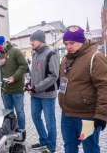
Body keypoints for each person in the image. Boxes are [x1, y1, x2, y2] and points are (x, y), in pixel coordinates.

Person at [59, 25, 107, 153]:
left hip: (87, 116)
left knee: (90, 149)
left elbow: (104, 86)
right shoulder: (65, 59)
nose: (68, 46)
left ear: (81, 40)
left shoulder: (95, 57)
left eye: (72, 43)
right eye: (66, 43)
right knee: (69, 147)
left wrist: (101, 114)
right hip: (67, 114)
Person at [25, 30, 59, 153]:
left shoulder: (51, 54)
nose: (31, 43)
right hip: (35, 94)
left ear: (40, 40)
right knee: (35, 117)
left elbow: (54, 76)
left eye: (33, 40)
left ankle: (51, 146)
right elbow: (33, 74)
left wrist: (36, 87)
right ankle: (43, 140)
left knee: (50, 122)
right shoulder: (34, 55)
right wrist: (29, 84)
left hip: (48, 95)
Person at [1, 40, 27, 130]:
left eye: (3, 43)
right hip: (5, 90)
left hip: (17, 89)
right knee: (8, 112)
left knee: (19, 111)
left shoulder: (15, 51)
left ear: (6, 43)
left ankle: (21, 130)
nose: (1, 45)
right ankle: (11, 129)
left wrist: (14, 77)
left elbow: (23, 66)